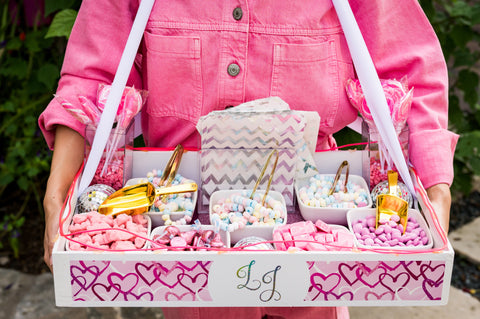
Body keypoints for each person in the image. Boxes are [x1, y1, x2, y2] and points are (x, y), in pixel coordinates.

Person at [39, 1, 458, 318]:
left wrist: (436, 191)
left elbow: (410, 77)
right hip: (181, 240)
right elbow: (92, 81)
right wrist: (57, 195)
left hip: (319, 228)